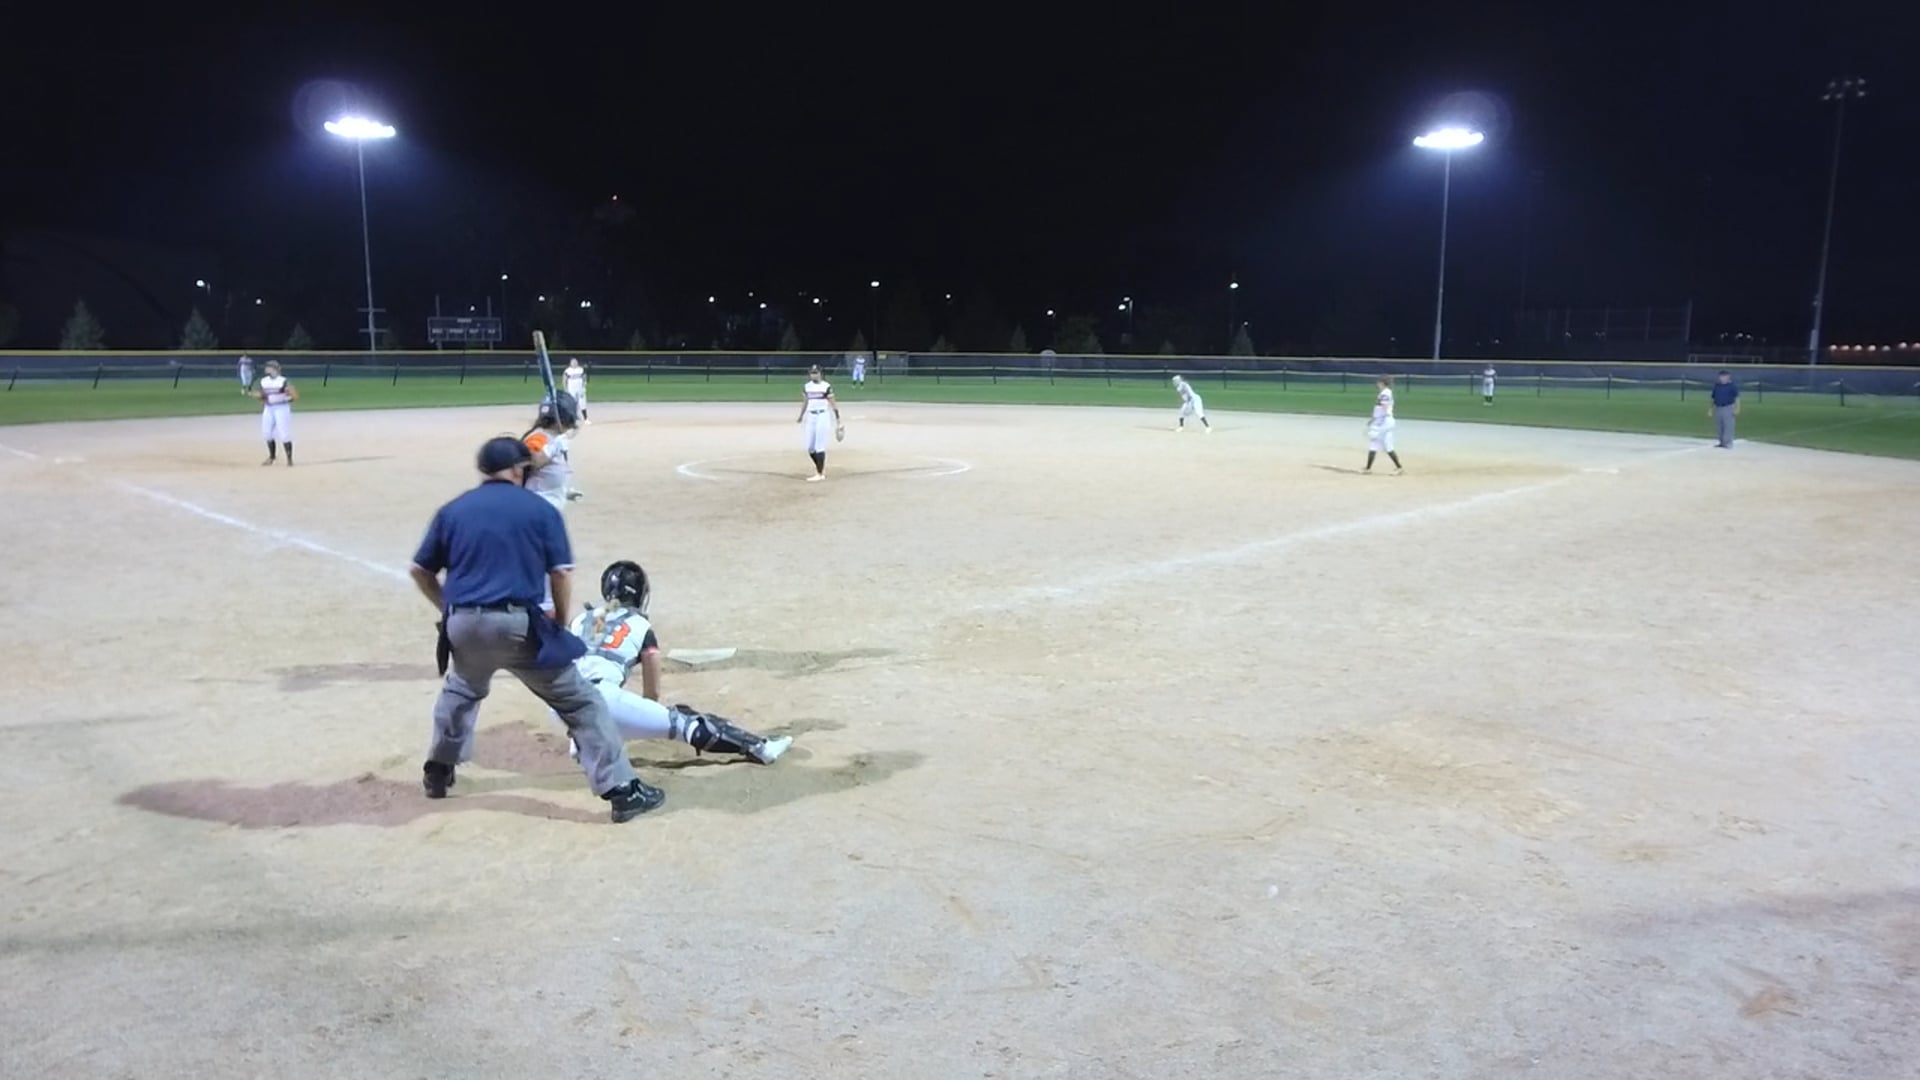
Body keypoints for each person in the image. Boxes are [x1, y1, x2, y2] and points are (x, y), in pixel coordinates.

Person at [408, 436, 663, 823]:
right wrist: (559, 621)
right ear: (517, 470)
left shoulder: (453, 510)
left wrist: (450, 610)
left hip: (463, 625)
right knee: (581, 702)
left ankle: (438, 771)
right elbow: (560, 573)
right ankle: (622, 791)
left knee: (461, 691)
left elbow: (420, 570)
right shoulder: (539, 509)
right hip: (517, 625)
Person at [562, 560, 793, 764]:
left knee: (597, 696)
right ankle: (761, 748)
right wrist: (643, 719)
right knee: (685, 721)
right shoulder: (640, 626)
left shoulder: (580, 620)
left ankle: (583, 737)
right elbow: (652, 693)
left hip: (564, 703)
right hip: (602, 699)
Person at [522, 392, 584, 508]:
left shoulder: (554, 438)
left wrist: (562, 491)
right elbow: (533, 462)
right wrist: (554, 447)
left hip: (549, 500)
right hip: (538, 501)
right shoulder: (539, 437)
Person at [795, 364, 841, 482]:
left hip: (822, 416)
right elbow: (805, 402)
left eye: (816, 373)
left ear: (820, 373)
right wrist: (801, 415)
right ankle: (820, 469)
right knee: (810, 447)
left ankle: (819, 474)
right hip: (811, 416)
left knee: (819, 446)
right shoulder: (807, 387)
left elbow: (833, 403)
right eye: (812, 373)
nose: (813, 375)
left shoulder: (826, 386)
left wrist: (838, 420)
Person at [252, 359, 297, 466]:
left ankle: (289, 459)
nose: (266, 369)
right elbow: (263, 396)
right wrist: (258, 396)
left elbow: (295, 396)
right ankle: (271, 457)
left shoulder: (283, 381)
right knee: (266, 433)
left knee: (284, 434)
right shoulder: (264, 381)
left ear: (274, 369)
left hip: (281, 408)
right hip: (269, 408)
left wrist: (284, 399)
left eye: (268, 367)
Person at [1364, 376, 1404, 475]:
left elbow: (1384, 407)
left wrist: (1382, 419)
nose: (1377, 384)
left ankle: (1368, 468)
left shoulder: (1385, 393)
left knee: (1374, 438)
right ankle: (1368, 468)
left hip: (1385, 421)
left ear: (1382, 383)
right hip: (1383, 421)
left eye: (1378, 382)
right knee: (1383, 444)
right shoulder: (1384, 393)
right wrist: (1373, 420)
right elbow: (1379, 409)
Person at [1709, 370, 1740, 448]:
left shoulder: (1732, 386)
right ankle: (1722, 442)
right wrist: (1710, 409)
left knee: (1728, 426)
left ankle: (1728, 443)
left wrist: (1737, 409)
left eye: (1724, 376)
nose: (1722, 378)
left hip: (1728, 407)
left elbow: (1737, 398)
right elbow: (1713, 398)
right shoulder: (1717, 386)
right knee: (1719, 426)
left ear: (1728, 377)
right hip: (1718, 408)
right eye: (1721, 376)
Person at [563, 358, 590, 425]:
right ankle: (572, 419)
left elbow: (584, 378)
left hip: (580, 389)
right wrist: (565, 389)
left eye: (575, 362)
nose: (574, 363)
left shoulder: (580, 369)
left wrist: (584, 386)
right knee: (572, 404)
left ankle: (586, 419)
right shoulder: (568, 370)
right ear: (570, 363)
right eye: (573, 362)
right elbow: (564, 380)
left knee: (582, 403)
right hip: (571, 389)